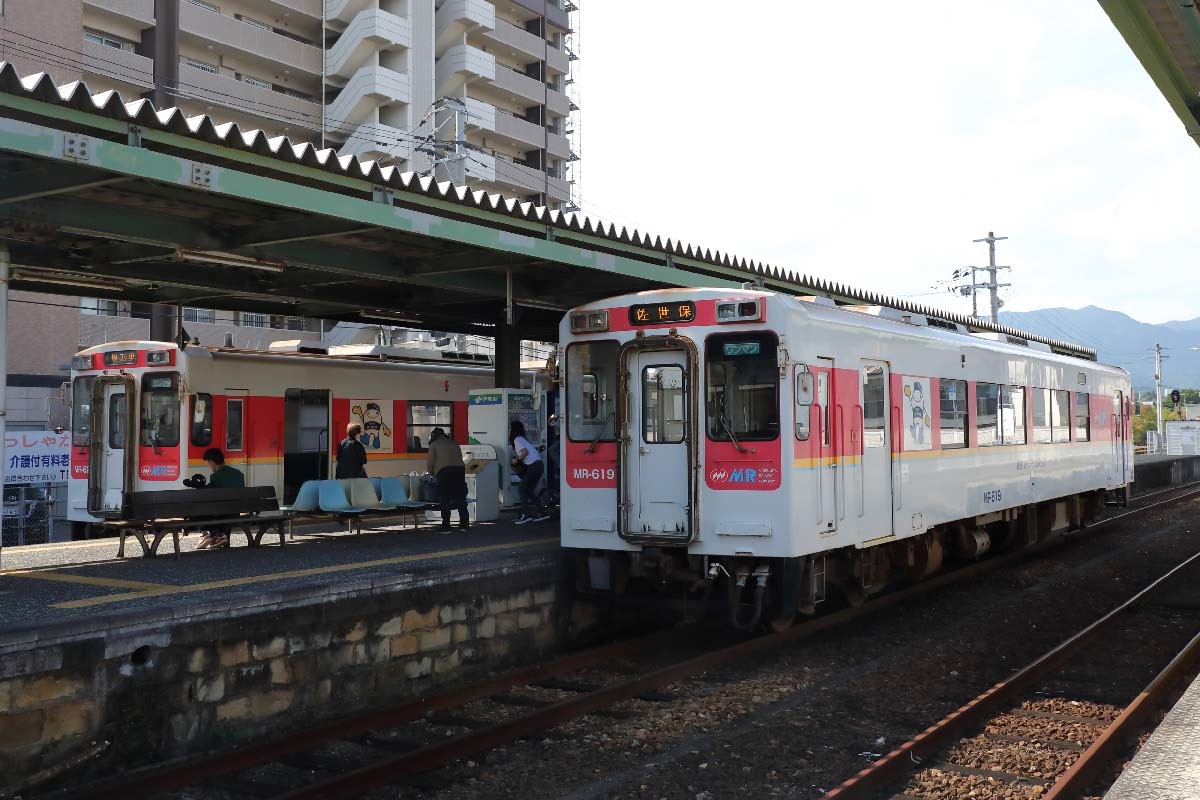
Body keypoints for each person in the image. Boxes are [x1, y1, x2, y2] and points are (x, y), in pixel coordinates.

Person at [194, 447, 245, 549]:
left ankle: (208, 534)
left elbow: (211, 496)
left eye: (207, 463)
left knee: (202, 509)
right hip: (236, 512)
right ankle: (220, 536)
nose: (208, 466)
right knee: (222, 508)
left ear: (211, 462)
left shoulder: (215, 476)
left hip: (222, 513)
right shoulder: (238, 474)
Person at [425, 427, 469, 533]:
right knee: (460, 498)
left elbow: (430, 463)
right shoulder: (454, 443)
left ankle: (446, 527)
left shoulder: (434, 444)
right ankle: (464, 525)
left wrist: (433, 474)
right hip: (459, 471)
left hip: (444, 472)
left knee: (444, 499)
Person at [509, 420, 548, 524]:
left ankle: (525, 515)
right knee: (529, 490)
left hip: (534, 466)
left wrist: (516, 460)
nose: (509, 431)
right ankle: (542, 512)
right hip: (538, 465)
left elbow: (524, 452)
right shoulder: (522, 439)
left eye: (510, 429)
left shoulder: (517, 439)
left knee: (522, 489)